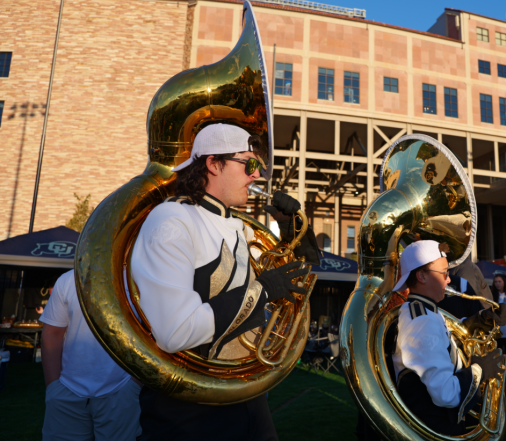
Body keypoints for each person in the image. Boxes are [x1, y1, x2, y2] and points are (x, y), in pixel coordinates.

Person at [130, 123, 319, 441]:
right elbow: (175, 332)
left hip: (247, 398)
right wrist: (261, 291)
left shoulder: (239, 226)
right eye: (250, 163)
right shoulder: (173, 220)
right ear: (213, 163)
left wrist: (293, 232)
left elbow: (301, 282)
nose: (257, 175)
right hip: (191, 412)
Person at [391, 240, 506, 435]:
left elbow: (441, 343)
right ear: (421, 276)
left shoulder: (424, 311)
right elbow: (446, 394)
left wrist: (477, 321)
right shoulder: (422, 321)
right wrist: (479, 370)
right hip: (436, 429)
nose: (449, 280)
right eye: (444, 273)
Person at [40, 270, 141, 441]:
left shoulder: (139, 277)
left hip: (121, 390)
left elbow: (152, 333)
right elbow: (52, 333)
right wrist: (54, 387)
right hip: (67, 392)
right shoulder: (68, 279)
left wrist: (134, 385)